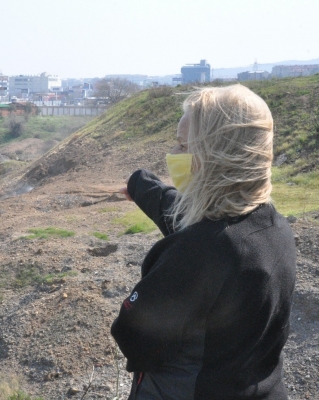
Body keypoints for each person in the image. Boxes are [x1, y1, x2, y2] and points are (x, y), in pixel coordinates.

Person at [111, 85, 296, 399]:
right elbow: (188, 216)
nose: (175, 156)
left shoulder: (198, 253)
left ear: (214, 156)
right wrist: (140, 186)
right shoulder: (275, 229)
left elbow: (133, 337)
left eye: (183, 145)